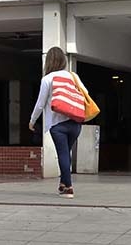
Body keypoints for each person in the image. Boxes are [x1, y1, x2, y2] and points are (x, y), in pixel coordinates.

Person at [28, 47, 87, 198]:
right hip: (75, 123)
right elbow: (84, 93)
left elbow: (40, 103)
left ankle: (68, 187)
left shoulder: (47, 79)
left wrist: (32, 120)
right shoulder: (73, 76)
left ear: (48, 61)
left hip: (57, 125)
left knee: (62, 154)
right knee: (66, 153)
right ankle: (62, 184)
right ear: (63, 61)